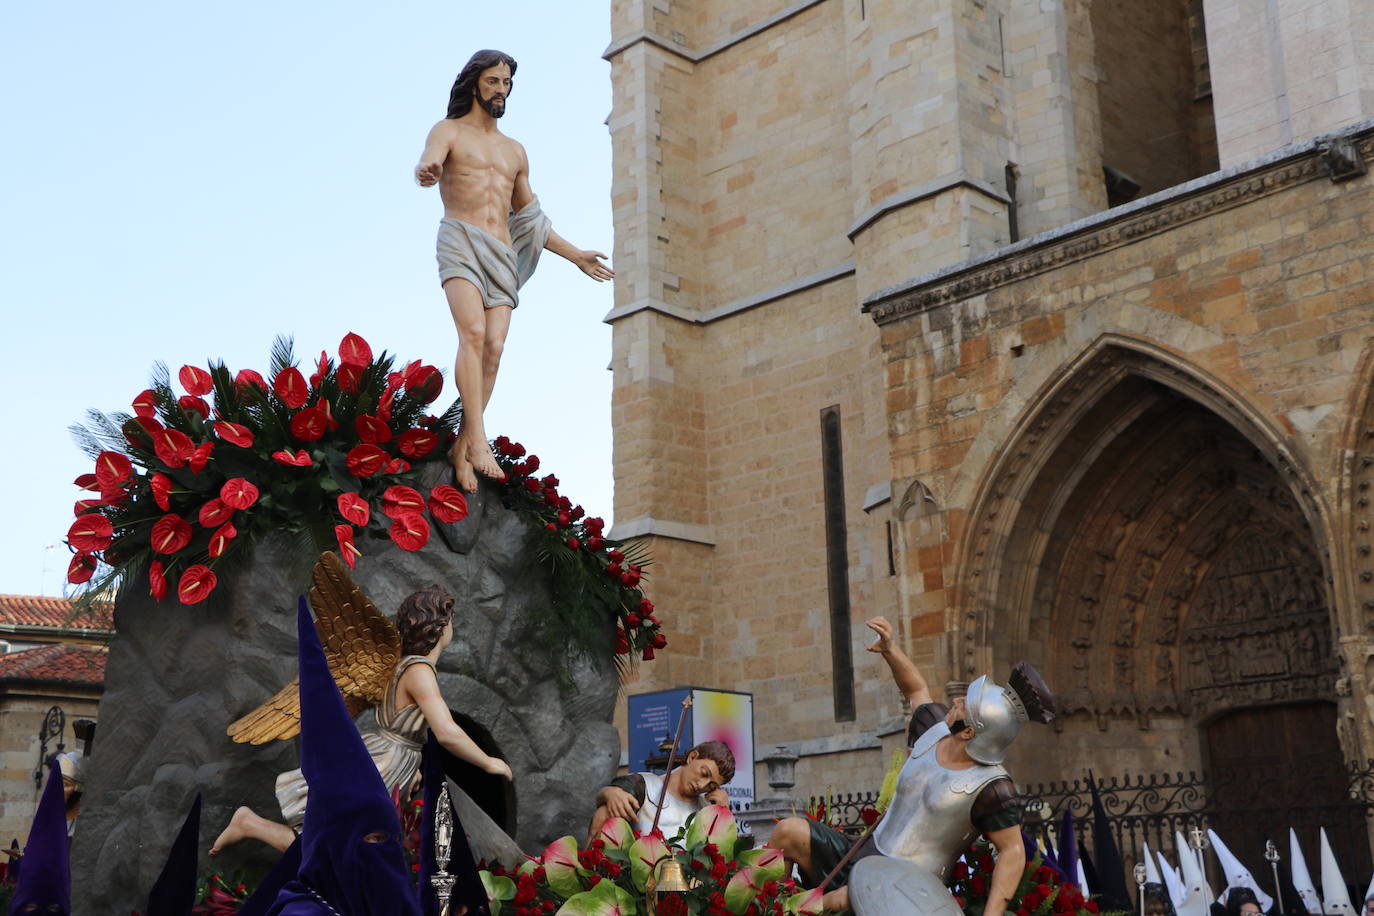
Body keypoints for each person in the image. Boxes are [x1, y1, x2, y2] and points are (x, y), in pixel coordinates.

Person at [415, 49, 615, 494]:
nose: (501, 90)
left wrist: (575, 255)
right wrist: (427, 170)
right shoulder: (448, 131)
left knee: (495, 347)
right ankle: (480, 441)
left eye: (505, 83)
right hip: (461, 242)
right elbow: (429, 158)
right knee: (472, 334)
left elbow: (529, 219)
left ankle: (463, 448)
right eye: (493, 82)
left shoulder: (514, 151)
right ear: (474, 85)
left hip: (502, 253)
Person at [768, 617, 1053, 915]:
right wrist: (891, 650)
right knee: (787, 833)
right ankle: (765, 904)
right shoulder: (935, 730)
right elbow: (916, 690)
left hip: (907, 887)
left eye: (962, 705)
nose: (955, 700)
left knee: (821, 904)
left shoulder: (993, 787)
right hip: (865, 851)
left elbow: (1013, 850)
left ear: (969, 731)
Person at [211, 583, 511, 855]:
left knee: (346, 846)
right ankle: (251, 825)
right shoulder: (419, 672)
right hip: (387, 761)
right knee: (341, 847)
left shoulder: (401, 665)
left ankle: (252, 825)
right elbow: (446, 732)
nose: (452, 627)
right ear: (440, 625)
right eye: (451, 619)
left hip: (392, 757)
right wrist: (488, 762)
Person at [587, 741, 735, 843]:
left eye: (711, 785)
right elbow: (609, 801)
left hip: (686, 883)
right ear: (692, 757)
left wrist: (722, 813)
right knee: (606, 812)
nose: (701, 785)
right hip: (636, 880)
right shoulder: (643, 786)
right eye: (704, 773)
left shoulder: (706, 810)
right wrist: (609, 793)